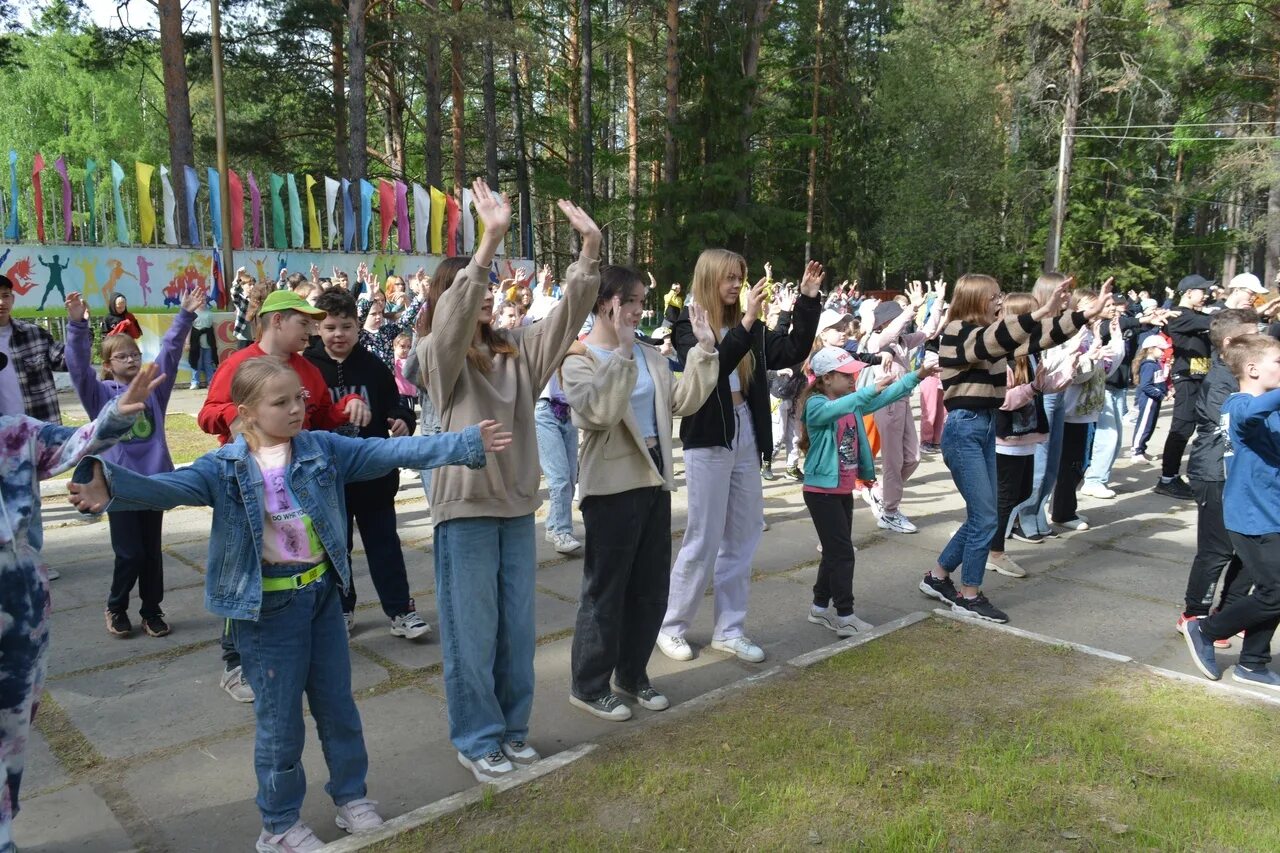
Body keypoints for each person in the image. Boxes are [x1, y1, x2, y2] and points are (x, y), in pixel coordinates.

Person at [68, 357, 510, 852]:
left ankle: (351, 798)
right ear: (247, 412)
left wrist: (465, 443)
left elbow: (394, 451)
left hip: (321, 598)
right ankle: (278, 825)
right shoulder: (225, 468)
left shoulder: (323, 449)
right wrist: (111, 485)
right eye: (282, 402)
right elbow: (166, 489)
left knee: (338, 709)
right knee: (281, 725)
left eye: (300, 397)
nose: (298, 408)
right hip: (266, 613)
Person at [417, 179, 599, 784]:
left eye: (491, 287)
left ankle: (512, 729)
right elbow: (448, 328)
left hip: (516, 509)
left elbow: (569, 313)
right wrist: (487, 241)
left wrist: (589, 253)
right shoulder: (434, 361)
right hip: (464, 512)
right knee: (472, 634)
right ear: (450, 300)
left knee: (516, 633)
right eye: (476, 289)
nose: (488, 296)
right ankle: (477, 737)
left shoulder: (517, 352)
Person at [1, 366, 159, 851]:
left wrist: (117, 413)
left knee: (11, 730)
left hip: (18, 603)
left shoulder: (15, 433)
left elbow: (79, 441)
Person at [560, 265, 718, 721]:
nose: (639, 310)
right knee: (605, 590)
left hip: (653, 480)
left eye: (642, 301)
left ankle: (631, 674)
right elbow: (597, 414)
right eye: (632, 301)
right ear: (608, 302)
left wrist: (705, 351)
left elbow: (682, 401)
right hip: (610, 486)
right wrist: (623, 357)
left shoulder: (647, 353)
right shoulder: (579, 356)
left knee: (650, 590)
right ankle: (589, 685)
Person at [199, 290, 370, 704]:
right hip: (247, 488)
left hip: (299, 489)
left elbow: (320, 418)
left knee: (296, 567)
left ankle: (293, 647)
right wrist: (242, 416)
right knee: (245, 569)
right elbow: (208, 415)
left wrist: (346, 404)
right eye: (304, 323)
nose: (311, 333)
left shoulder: (307, 371)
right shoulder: (237, 365)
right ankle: (233, 662)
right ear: (276, 321)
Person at [656, 252, 821, 665]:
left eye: (741, 277)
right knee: (704, 536)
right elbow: (714, 367)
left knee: (744, 534)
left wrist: (806, 299)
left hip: (745, 429)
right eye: (729, 278)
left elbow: (794, 349)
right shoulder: (688, 323)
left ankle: (730, 629)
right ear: (710, 279)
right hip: (708, 437)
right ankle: (671, 627)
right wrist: (746, 323)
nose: (737, 285)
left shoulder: (751, 325)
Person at [919, 273, 1108, 624]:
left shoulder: (989, 335)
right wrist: (1040, 312)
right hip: (964, 430)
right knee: (986, 517)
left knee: (982, 515)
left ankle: (937, 577)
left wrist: (1084, 316)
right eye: (994, 296)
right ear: (975, 299)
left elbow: (1039, 339)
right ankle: (968, 595)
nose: (999, 301)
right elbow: (992, 341)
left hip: (983, 427)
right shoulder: (957, 333)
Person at [65, 287, 204, 638]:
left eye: (135, 354)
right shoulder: (99, 396)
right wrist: (77, 325)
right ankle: (116, 605)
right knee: (129, 554)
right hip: (118, 485)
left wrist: (185, 314)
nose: (131, 359)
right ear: (108, 365)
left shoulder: (153, 389)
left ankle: (151, 609)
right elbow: (78, 369)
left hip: (154, 484)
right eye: (122, 356)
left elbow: (171, 353)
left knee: (151, 554)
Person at [306, 289, 429, 640]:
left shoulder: (373, 365)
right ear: (318, 329)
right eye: (330, 327)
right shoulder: (308, 368)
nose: (338, 334)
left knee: (384, 545)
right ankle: (341, 609)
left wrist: (401, 418)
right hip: (328, 478)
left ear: (358, 328)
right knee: (334, 549)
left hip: (374, 475)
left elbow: (397, 402)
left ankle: (401, 610)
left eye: (346, 326)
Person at [799, 346, 937, 635]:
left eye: (855, 373)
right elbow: (844, 405)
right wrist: (869, 390)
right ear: (825, 379)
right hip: (820, 492)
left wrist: (917, 375)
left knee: (834, 551)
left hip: (840, 490)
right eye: (846, 374)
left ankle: (819, 608)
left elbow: (889, 395)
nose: (854, 378)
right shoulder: (817, 405)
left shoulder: (852, 402)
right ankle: (845, 616)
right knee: (843, 553)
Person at [1181, 334, 1280, 690]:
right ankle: (1204, 629)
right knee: (1275, 591)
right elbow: (1254, 414)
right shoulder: (1238, 405)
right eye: (1279, 363)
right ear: (1252, 369)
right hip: (1252, 517)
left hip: (1273, 512)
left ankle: (1252, 664)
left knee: (1272, 591)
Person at [1177, 309, 1260, 645]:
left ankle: (1229, 614)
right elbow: (1235, 425)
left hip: (1243, 476)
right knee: (1216, 551)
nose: (1262, 340)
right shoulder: (1220, 379)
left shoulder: (1248, 374)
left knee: (1249, 550)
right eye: (1254, 334)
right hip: (1214, 473)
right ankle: (1193, 614)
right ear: (1230, 343)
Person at [987, 293, 1064, 579]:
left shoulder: (1031, 351)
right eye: (1035, 313)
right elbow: (1003, 401)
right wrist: (1033, 388)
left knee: (1020, 493)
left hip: (1026, 437)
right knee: (1005, 497)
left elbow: (1040, 386)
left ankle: (985, 539)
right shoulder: (1004, 354)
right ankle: (993, 552)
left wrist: (1065, 374)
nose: (1041, 318)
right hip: (1006, 439)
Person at [862, 281, 945, 534]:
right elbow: (889, 333)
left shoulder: (903, 341)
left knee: (913, 457)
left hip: (904, 402)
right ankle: (889, 512)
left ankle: (882, 493)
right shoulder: (875, 340)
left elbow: (929, 331)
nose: (905, 321)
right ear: (886, 322)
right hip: (886, 404)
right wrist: (911, 308)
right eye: (898, 318)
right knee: (893, 461)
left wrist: (938, 302)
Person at [1155, 274, 1215, 499]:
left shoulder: (1197, 315)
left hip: (1200, 376)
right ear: (1189, 292)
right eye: (1202, 290)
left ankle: (1184, 475)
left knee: (1199, 428)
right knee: (1181, 428)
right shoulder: (1180, 315)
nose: (1207, 295)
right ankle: (1167, 479)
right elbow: (1213, 323)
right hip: (1187, 378)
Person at [0, 274, 66, 424]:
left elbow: (67, 361)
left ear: (13, 299)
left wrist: (78, 326)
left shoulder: (34, 334)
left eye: (5, 295)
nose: (1, 302)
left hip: (39, 434)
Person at [1129, 335, 1171, 461]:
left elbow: (1159, 382)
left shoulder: (1155, 364)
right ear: (1151, 349)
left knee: (1150, 426)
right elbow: (1146, 386)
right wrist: (1160, 395)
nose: (1163, 352)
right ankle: (1136, 451)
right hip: (1148, 400)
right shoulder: (1148, 365)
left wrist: (1166, 390)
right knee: (1144, 425)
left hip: (1154, 400)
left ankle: (1141, 449)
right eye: (1161, 349)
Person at [188, 299, 219, 390]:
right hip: (196, 342)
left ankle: (211, 381)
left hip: (208, 342)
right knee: (196, 362)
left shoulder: (210, 313)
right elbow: (189, 329)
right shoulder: (193, 314)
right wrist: (187, 342)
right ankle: (194, 382)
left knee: (208, 362)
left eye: (204, 301)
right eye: (200, 301)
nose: (202, 303)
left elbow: (214, 328)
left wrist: (216, 341)